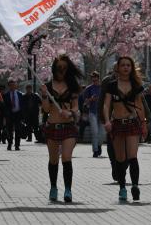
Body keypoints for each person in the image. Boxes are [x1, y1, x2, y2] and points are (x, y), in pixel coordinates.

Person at [103, 56, 147, 201]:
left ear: (132, 68)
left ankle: (134, 186)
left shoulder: (136, 85)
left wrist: (144, 124)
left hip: (132, 123)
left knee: (133, 156)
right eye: (123, 65)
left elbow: (139, 106)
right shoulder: (111, 85)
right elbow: (106, 105)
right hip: (117, 123)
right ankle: (122, 188)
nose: (126, 67)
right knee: (120, 159)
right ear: (118, 68)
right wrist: (107, 120)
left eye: (129, 65)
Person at [40, 54, 82, 202]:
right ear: (54, 69)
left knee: (66, 157)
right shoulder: (48, 87)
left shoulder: (73, 87)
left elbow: (76, 108)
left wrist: (70, 112)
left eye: (64, 68)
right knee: (53, 160)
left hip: (68, 127)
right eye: (59, 68)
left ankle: (68, 190)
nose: (61, 71)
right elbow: (45, 109)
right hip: (52, 126)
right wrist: (45, 95)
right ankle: (53, 187)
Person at [83, 71, 105, 157]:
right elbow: (85, 102)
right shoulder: (88, 89)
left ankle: (99, 145)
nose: (94, 81)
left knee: (102, 133)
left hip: (102, 113)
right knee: (95, 132)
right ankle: (95, 150)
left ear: (99, 78)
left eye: (96, 79)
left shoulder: (103, 88)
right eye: (93, 79)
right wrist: (91, 99)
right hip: (93, 112)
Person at [3, 79, 24, 151]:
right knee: (9, 130)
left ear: (16, 85)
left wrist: (22, 115)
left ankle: (17, 145)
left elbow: (22, 105)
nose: (12, 86)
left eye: (14, 85)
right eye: (11, 85)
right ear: (9, 86)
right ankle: (9, 144)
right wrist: (5, 116)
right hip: (10, 114)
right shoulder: (6, 95)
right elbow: (4, 106)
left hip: (18, 114)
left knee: (18, 130)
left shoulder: (20, 94)